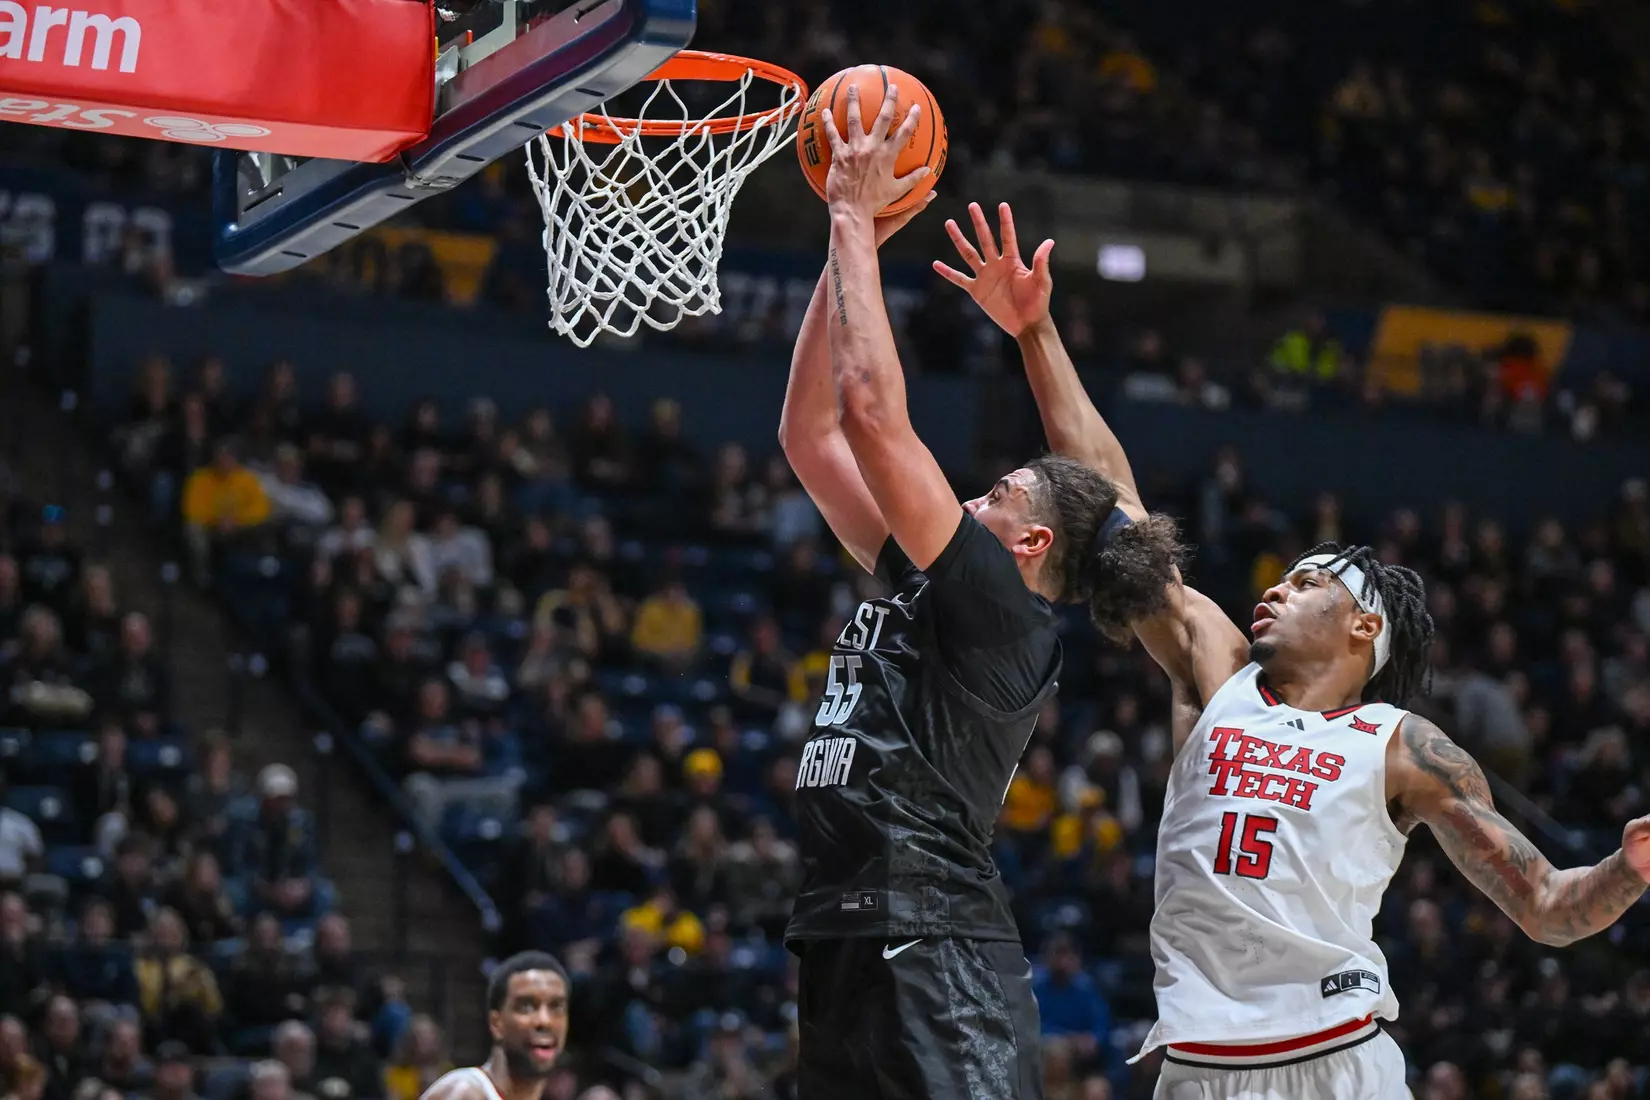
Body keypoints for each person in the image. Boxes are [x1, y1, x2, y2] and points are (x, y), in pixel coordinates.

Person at [938, 201, 1650, 1098]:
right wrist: (1035, 329)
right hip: (1197, 1070)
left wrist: (1627, 870)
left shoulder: (1403, 744)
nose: (1275, 588)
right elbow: (1113, 502)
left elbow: (1547, 907)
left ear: (1364, 630)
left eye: (1309, 583)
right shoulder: (1218, 674)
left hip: (1335, 1062)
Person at [777, 86, 1183, 1100]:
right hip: (847, 928)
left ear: (1033, 540)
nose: (968, 493)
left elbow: (872, 415)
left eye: (996, 491)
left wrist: (848, 217)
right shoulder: (938, 581)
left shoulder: (1003, 609)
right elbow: (811, 433)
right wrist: (853, 236)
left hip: (933, 943)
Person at [415, 952, 568, 1100]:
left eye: (556, 1007)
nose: (545, 1020)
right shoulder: (466, 1092)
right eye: (526, 1007)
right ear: (496, 1023)